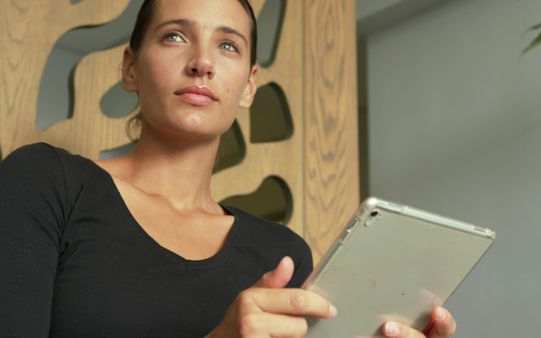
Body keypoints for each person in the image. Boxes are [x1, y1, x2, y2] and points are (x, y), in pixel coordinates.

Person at [0, 0, 457, 337]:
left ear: (249, 86)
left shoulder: (282, 257)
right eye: (175, 36)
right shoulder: (45, 183)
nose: (202, 63)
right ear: (130, 68)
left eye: (227, 45)